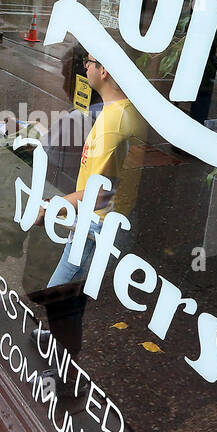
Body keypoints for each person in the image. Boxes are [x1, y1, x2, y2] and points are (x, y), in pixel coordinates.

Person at [44, 51, 148, 287]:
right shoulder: (121, 110)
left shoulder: (113, 123)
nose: (85, 68)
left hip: (97, 224)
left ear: (104, 70)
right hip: (107, 218)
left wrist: (50, 208)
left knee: (58, 295)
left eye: (88, 62)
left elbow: (99, 195)